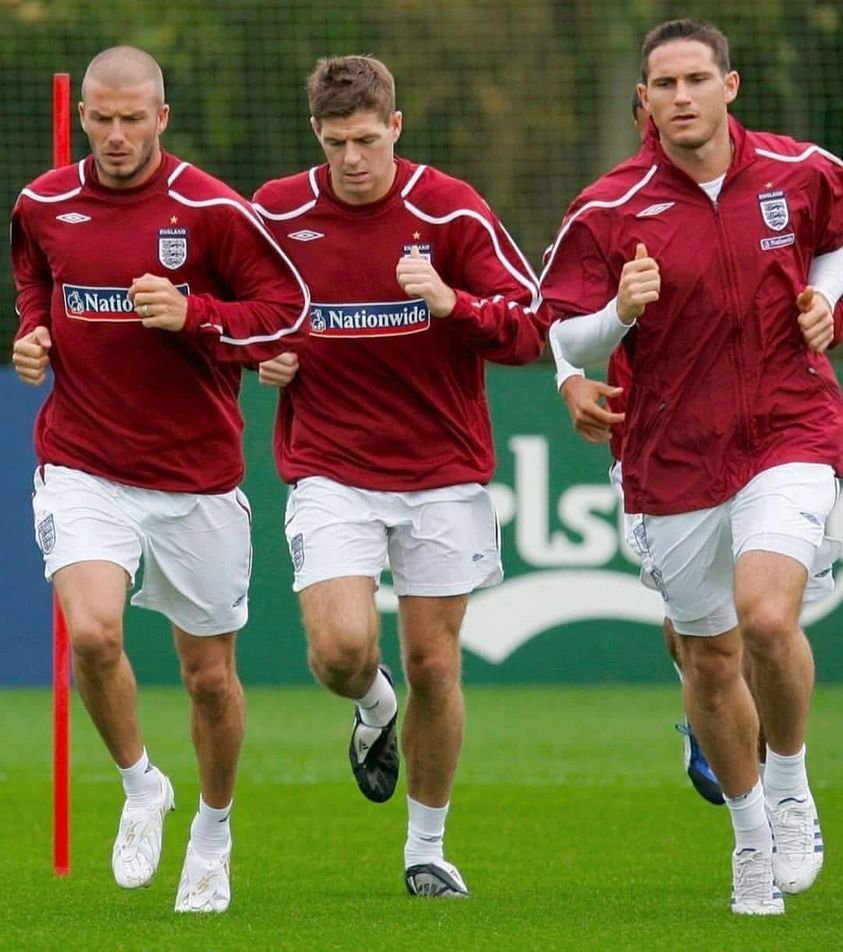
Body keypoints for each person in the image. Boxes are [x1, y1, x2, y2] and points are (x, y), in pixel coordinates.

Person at [540, 18, 843, 915]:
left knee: (764, 617)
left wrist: (824, 294)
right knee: (706, 660)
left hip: (788, 428)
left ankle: (788, 784)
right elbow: (558, 327)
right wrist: (616, 321)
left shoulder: (801, 170)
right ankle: (749, 837)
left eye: (694, 80)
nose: (680, 98)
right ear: (643, 100)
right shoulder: (606, 208)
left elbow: (835, 242)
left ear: (729, 86)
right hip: (669, 457)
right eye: (662, 85)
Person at [10, 46, 310, 913]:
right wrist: (34, 335)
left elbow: (284, 315)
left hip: (196, 479)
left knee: (209, 677)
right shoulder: (42, 202)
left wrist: (195, 315)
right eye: (99, 118)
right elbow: (37, 281)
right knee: (94, 634)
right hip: (82, 464)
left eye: (131, 118)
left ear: (162, 117)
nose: (114, 134)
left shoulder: (213, 209)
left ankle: (212, 832)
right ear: (82, 117)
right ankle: (143, 786)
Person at [252, 55, 548, 898]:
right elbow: (223, 313)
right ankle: (370, 707)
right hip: (330, 468)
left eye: (367, 139)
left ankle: (426, 848)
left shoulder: (449, 209)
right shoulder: (275, 212)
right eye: (337, 141)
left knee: (436, 665)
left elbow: (530, 327)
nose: (352, 158)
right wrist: (258, 351)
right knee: (342, 650)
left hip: (442, 471)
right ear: (317, 134)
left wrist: (454, 304)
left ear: (396, 126)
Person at [552, 87, 725, 806]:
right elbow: (559, 312)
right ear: (640, 115)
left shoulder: (757, 184)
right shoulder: (613, 205)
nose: (670, 113)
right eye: (654, 104)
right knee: (693, 619)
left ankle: (774, 775)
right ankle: (703, 706)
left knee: (760, 610)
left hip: (770, 434)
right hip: (658, 439)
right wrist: (568, 378)